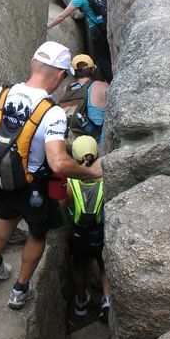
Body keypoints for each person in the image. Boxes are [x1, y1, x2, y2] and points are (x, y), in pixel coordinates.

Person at [0, 41, 103, 310]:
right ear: (62, 75)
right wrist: (89, 172)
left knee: (7, 217)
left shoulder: (0, 94)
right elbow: (59, 162)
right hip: (36, 186)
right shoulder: (52, 113)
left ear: (32, 63)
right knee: (37, 234)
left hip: (4, 176)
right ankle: (20, 289)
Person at [66, 135, 111, 320]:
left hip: (79, 235)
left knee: (80, 266)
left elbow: (62, 203)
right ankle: (107, 299)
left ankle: (80, 302)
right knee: (104, 264)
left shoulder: (70, 183)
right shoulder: (106, 179)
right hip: (101, 231)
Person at [47, 0, 113, 82]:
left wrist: (48, 26)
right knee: (108, 54)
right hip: (105, 24)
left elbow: (62, 16)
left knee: (101, 58)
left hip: (96, 31)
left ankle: (110, 81)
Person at [58, 53, 109, 149]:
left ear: (73, 72)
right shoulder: (103, 87)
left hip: (74, 144)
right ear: (93, 70)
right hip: (98, 144)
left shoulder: (66, 89)